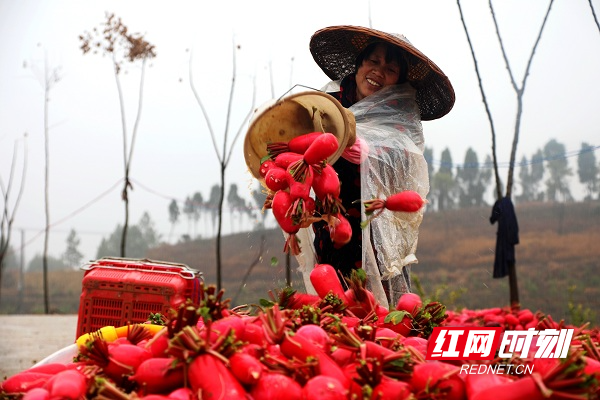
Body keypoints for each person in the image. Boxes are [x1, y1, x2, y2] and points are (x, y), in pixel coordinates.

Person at [299, 25, 455, 308]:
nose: (379, 72)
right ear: (359, 64)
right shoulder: (327, 106)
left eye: (391, 68)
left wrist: (374, 153)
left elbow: (408, 167)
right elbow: (299, 146)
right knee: (335, 305)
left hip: (376, 227)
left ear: (399, 80)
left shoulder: (401, 118)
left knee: (381, 312)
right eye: (373, 61)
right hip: (333, 223)